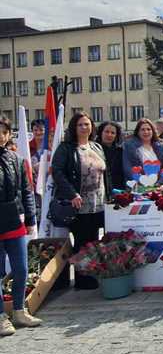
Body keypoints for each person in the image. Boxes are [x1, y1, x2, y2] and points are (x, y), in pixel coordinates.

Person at [51, 112, 110, 291]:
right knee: (82, 241)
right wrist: (72, 194)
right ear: (74, 128)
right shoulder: (66, 148)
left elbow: (105, 173)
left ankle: (93, 275)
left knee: (95, 240)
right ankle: (83, 279)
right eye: (80, 125)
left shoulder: (97, 146)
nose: (84, 128)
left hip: (98, 202)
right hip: (78, 203)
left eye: (87, 124)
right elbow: (58, 172)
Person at [0, 116, 40, 336]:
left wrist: (32, 219)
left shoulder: (16, 159)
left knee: (21, 269)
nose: (0, 135)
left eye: (4, 131)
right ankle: (0, 317)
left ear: (8, 135)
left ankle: (18, 310)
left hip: (15, 220)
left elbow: (26, 191)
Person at [97, 121, 125, 191]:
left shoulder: (120, 151)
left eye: (113, 133)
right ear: (101, 133)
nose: (109, 135)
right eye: (106, 132)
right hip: (99, 188)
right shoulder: (93, 149)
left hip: (118, 189)